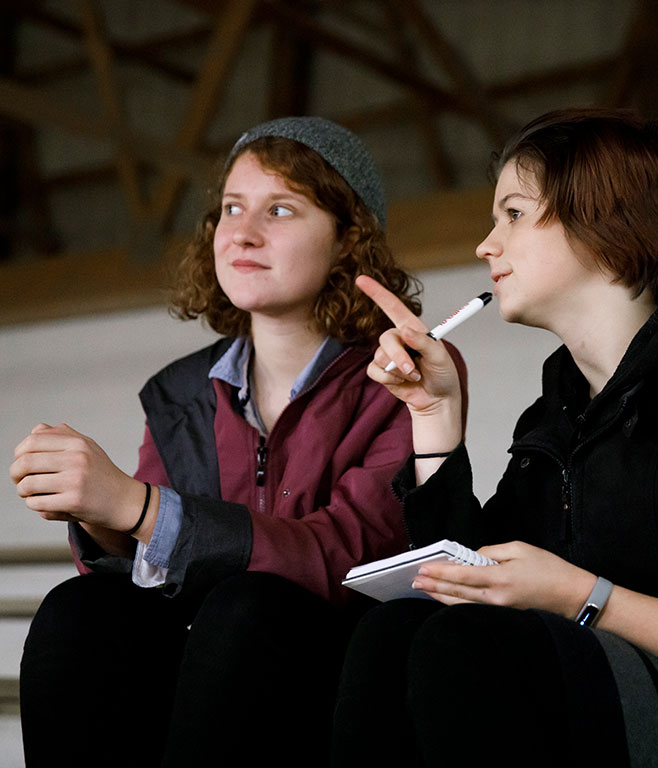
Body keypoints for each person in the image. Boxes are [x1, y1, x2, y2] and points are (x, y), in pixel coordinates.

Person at [10, 116, 466, 767]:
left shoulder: (403, 373)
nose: (243, 233)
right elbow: (143, 575)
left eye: (280, 209)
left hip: (329, 671)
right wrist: (97, 514)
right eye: (231, 208)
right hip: (200, 663)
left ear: (347, 239)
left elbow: (351, 555)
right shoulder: (179, 391)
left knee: (247, 608)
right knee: (77, 610)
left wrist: (137, 507)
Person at [332, 108, 658, 767]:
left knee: (466, 647)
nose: (485, 245)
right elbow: (471, 585)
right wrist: (434, 416)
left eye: (512, 213)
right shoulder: (558, 412)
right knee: (395, 630)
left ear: (603, 221)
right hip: (596, 691)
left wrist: (582, 597)